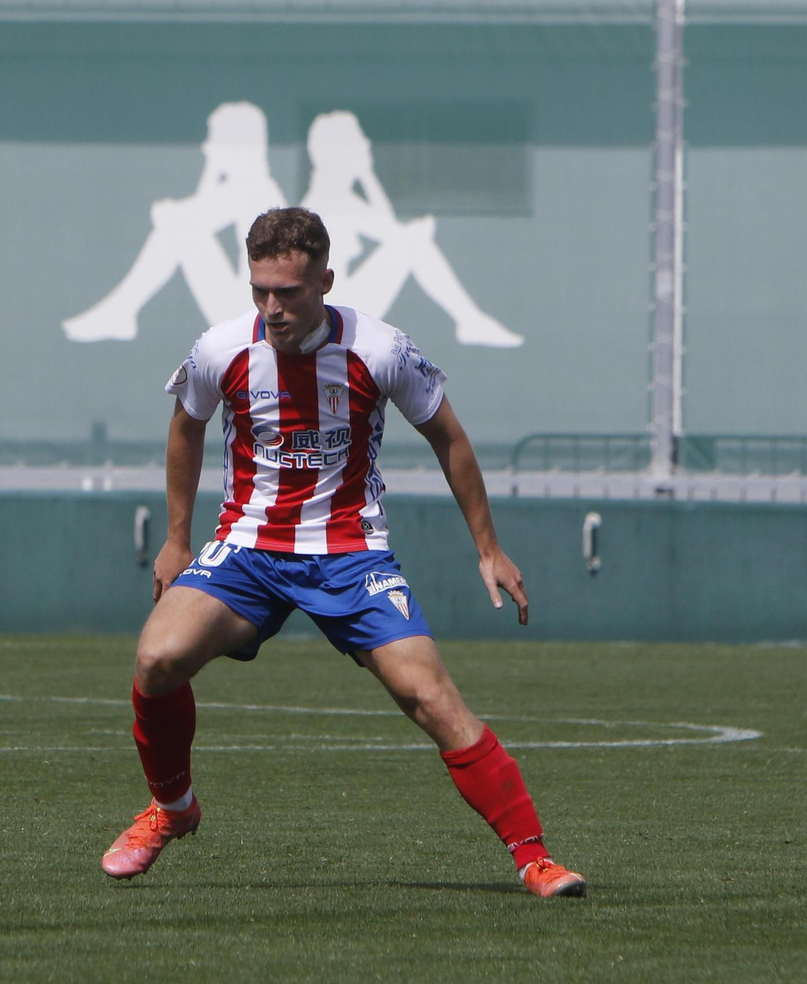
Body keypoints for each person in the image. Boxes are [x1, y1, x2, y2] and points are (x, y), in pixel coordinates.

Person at [98, 206, 585, 897]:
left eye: (288, 292)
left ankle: (535, 858)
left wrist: (489, 549)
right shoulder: (221, 349)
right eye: (260, 290)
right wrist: (178, 540)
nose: (273, 308)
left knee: (431, 697)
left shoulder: (379, 349)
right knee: (157, 658)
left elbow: (449, 438)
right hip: (248, 549)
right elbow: (187, 428)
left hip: (350, 554)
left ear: (325, 280)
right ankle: (172, 811)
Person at [63, 102, 287, 342]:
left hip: (253, 313)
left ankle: (121, 310)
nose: (207, 148)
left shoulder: (253, 188)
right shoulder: (250, 185)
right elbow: (195, 211)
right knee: (181, 227)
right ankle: (121, 310)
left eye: (214, 140)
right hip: (248, 308)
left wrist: (212, 169)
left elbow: (181, 216)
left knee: (178, 228)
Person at [300, 111, 523, 348]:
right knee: (413, 240)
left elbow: (386, 222)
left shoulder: (337, 193)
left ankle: (470, 320)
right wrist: (367, 175)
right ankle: (470, 320)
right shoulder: (330, 198)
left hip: (340, 304)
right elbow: (391, 230)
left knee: (412, 239)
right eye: (358, 140)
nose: (366, 144)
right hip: (336, 306)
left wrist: (366, 175)